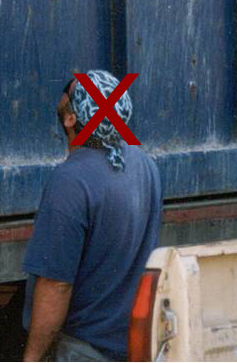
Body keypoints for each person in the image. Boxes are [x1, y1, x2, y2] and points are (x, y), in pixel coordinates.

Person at [22, 70, 162, 361]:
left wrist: (32, 358)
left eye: (67, 91)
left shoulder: (70, 181)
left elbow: (56, 285)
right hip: (134, 345)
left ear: (71, 118)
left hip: (84, 351)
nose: (62, 92)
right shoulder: (145, 165)